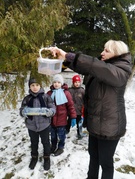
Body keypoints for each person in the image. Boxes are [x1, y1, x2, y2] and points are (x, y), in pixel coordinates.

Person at [45, 40, 132, 179]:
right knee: (93, 157)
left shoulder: (121, 70)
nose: (102, 53)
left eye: (107, 51)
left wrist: (69, 56)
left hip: (110, 127)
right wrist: (65, 60)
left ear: (117, 54)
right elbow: (89, 68)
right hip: (95, 124)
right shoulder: (104, 67)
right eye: (103, 49)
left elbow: (97, 67)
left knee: (105, 162)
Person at [20, 77, 56, 170]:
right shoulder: (27, 98)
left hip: (44, 125)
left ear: (40, 86)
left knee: (46, 142)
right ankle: (34, 157)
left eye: (37, 85)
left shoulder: (46, 97)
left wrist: (51, 111)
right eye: (32, 85)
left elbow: (52, 106)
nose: (35, 87)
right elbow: (22, 109)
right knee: (34, 142)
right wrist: (23, 112)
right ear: (30, 87)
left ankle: (47, 158)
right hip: (31, 126)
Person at [47, 74, 77, 156]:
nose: (56, 84)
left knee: (61, 135)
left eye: (58, 82)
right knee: (53, 135)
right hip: (51, 120)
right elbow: (45, 105)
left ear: (62, 83)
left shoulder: (66, 93)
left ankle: (60, 147)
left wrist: (73, 117)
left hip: (62, 120)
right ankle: (53, 146)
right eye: (55, 82)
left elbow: (71, 106)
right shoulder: (49, 94)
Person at [66, 74, 85, 139]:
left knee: (79, 123)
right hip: (71, 111)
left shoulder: (82, 91)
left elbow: (84, 100)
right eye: (75, 82)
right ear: (73, 82)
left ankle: (79, 133)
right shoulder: (69, 90)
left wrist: (83, 109)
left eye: (78, 82)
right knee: (69, 122)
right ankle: (66, 131)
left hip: (79, 111)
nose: (77, 83)